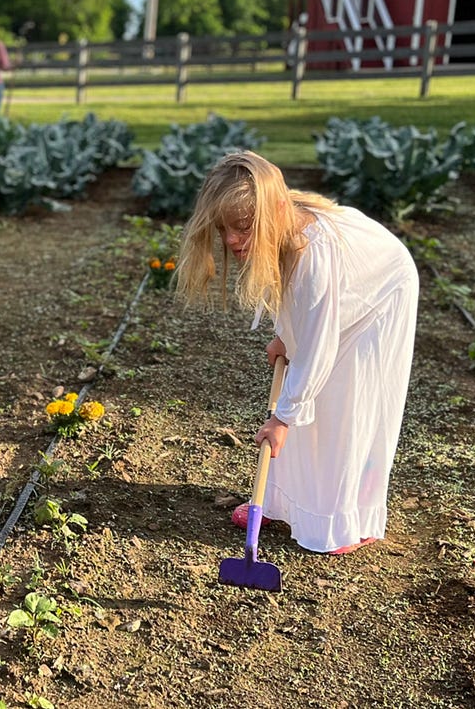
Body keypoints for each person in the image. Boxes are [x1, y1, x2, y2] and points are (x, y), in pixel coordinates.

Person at [175, 151, 418, 555]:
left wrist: (283, 418)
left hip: (381, 294)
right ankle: (281, 502)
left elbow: (319, 340)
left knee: (345, 403)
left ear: (274, 211)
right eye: (224, 228)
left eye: (242, 228)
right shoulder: (285, 231)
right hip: (343, 290)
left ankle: (349, 520)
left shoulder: (315, 258)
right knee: (302, 389)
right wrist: (287, 337)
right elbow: (296, 301)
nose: (232, 239)